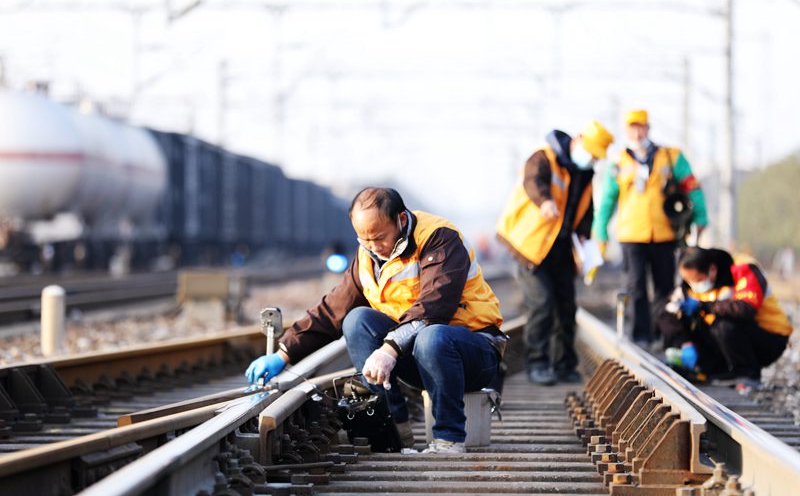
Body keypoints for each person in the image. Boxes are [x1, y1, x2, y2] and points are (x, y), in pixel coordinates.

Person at [245, 187, 505, 454]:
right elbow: (332, 310)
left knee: (433, 335)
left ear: (401, 220)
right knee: (357, 320)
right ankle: (393, 432)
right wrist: (284, 353)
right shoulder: (367, 257)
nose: (373, 247)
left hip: (473, 354)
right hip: (421, 357)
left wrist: (389, 349)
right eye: (364, 239)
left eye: (379, 237)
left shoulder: (438, 238)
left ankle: (449, 439)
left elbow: (434, 306)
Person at [496, 121, 614, 385]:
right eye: (592, 153)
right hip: (532, 246)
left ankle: (564, 365)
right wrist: (545, 201)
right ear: (579, 140)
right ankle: (537, 363)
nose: (592, 159)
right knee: (542, 303)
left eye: (597, 157)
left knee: (566, 306)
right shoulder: (543, 158)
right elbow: (533, 181)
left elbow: (586, 207)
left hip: (561, 247)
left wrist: (584, 234)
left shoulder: (584, 172)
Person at [593, 109, 709, 347]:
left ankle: (663, 334)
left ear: (648, 128)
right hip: (631, 235)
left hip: (664, 233)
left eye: (640, 127)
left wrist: (700, 216)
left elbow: (691, 185)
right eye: (631, 128)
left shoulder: (671, 157)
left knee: (664, 288)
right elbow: (607, 199)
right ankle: (641, 336)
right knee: (636, 286)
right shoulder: (618, 162)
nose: (636, 133)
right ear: (626, 131)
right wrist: (600, 229)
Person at [657, 247, 792, 384]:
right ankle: (714, 371)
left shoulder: (742, 269)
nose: (694, 285)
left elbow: (746, 308)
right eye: (689, 280)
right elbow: (666, 312)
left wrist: (705, 306)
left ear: (712, 270)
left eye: (698, 280)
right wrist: (684, 342)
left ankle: (748, 374)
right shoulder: (689, 283)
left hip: (769, 337)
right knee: (690, 319)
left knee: (723, 324)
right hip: (730, 341)